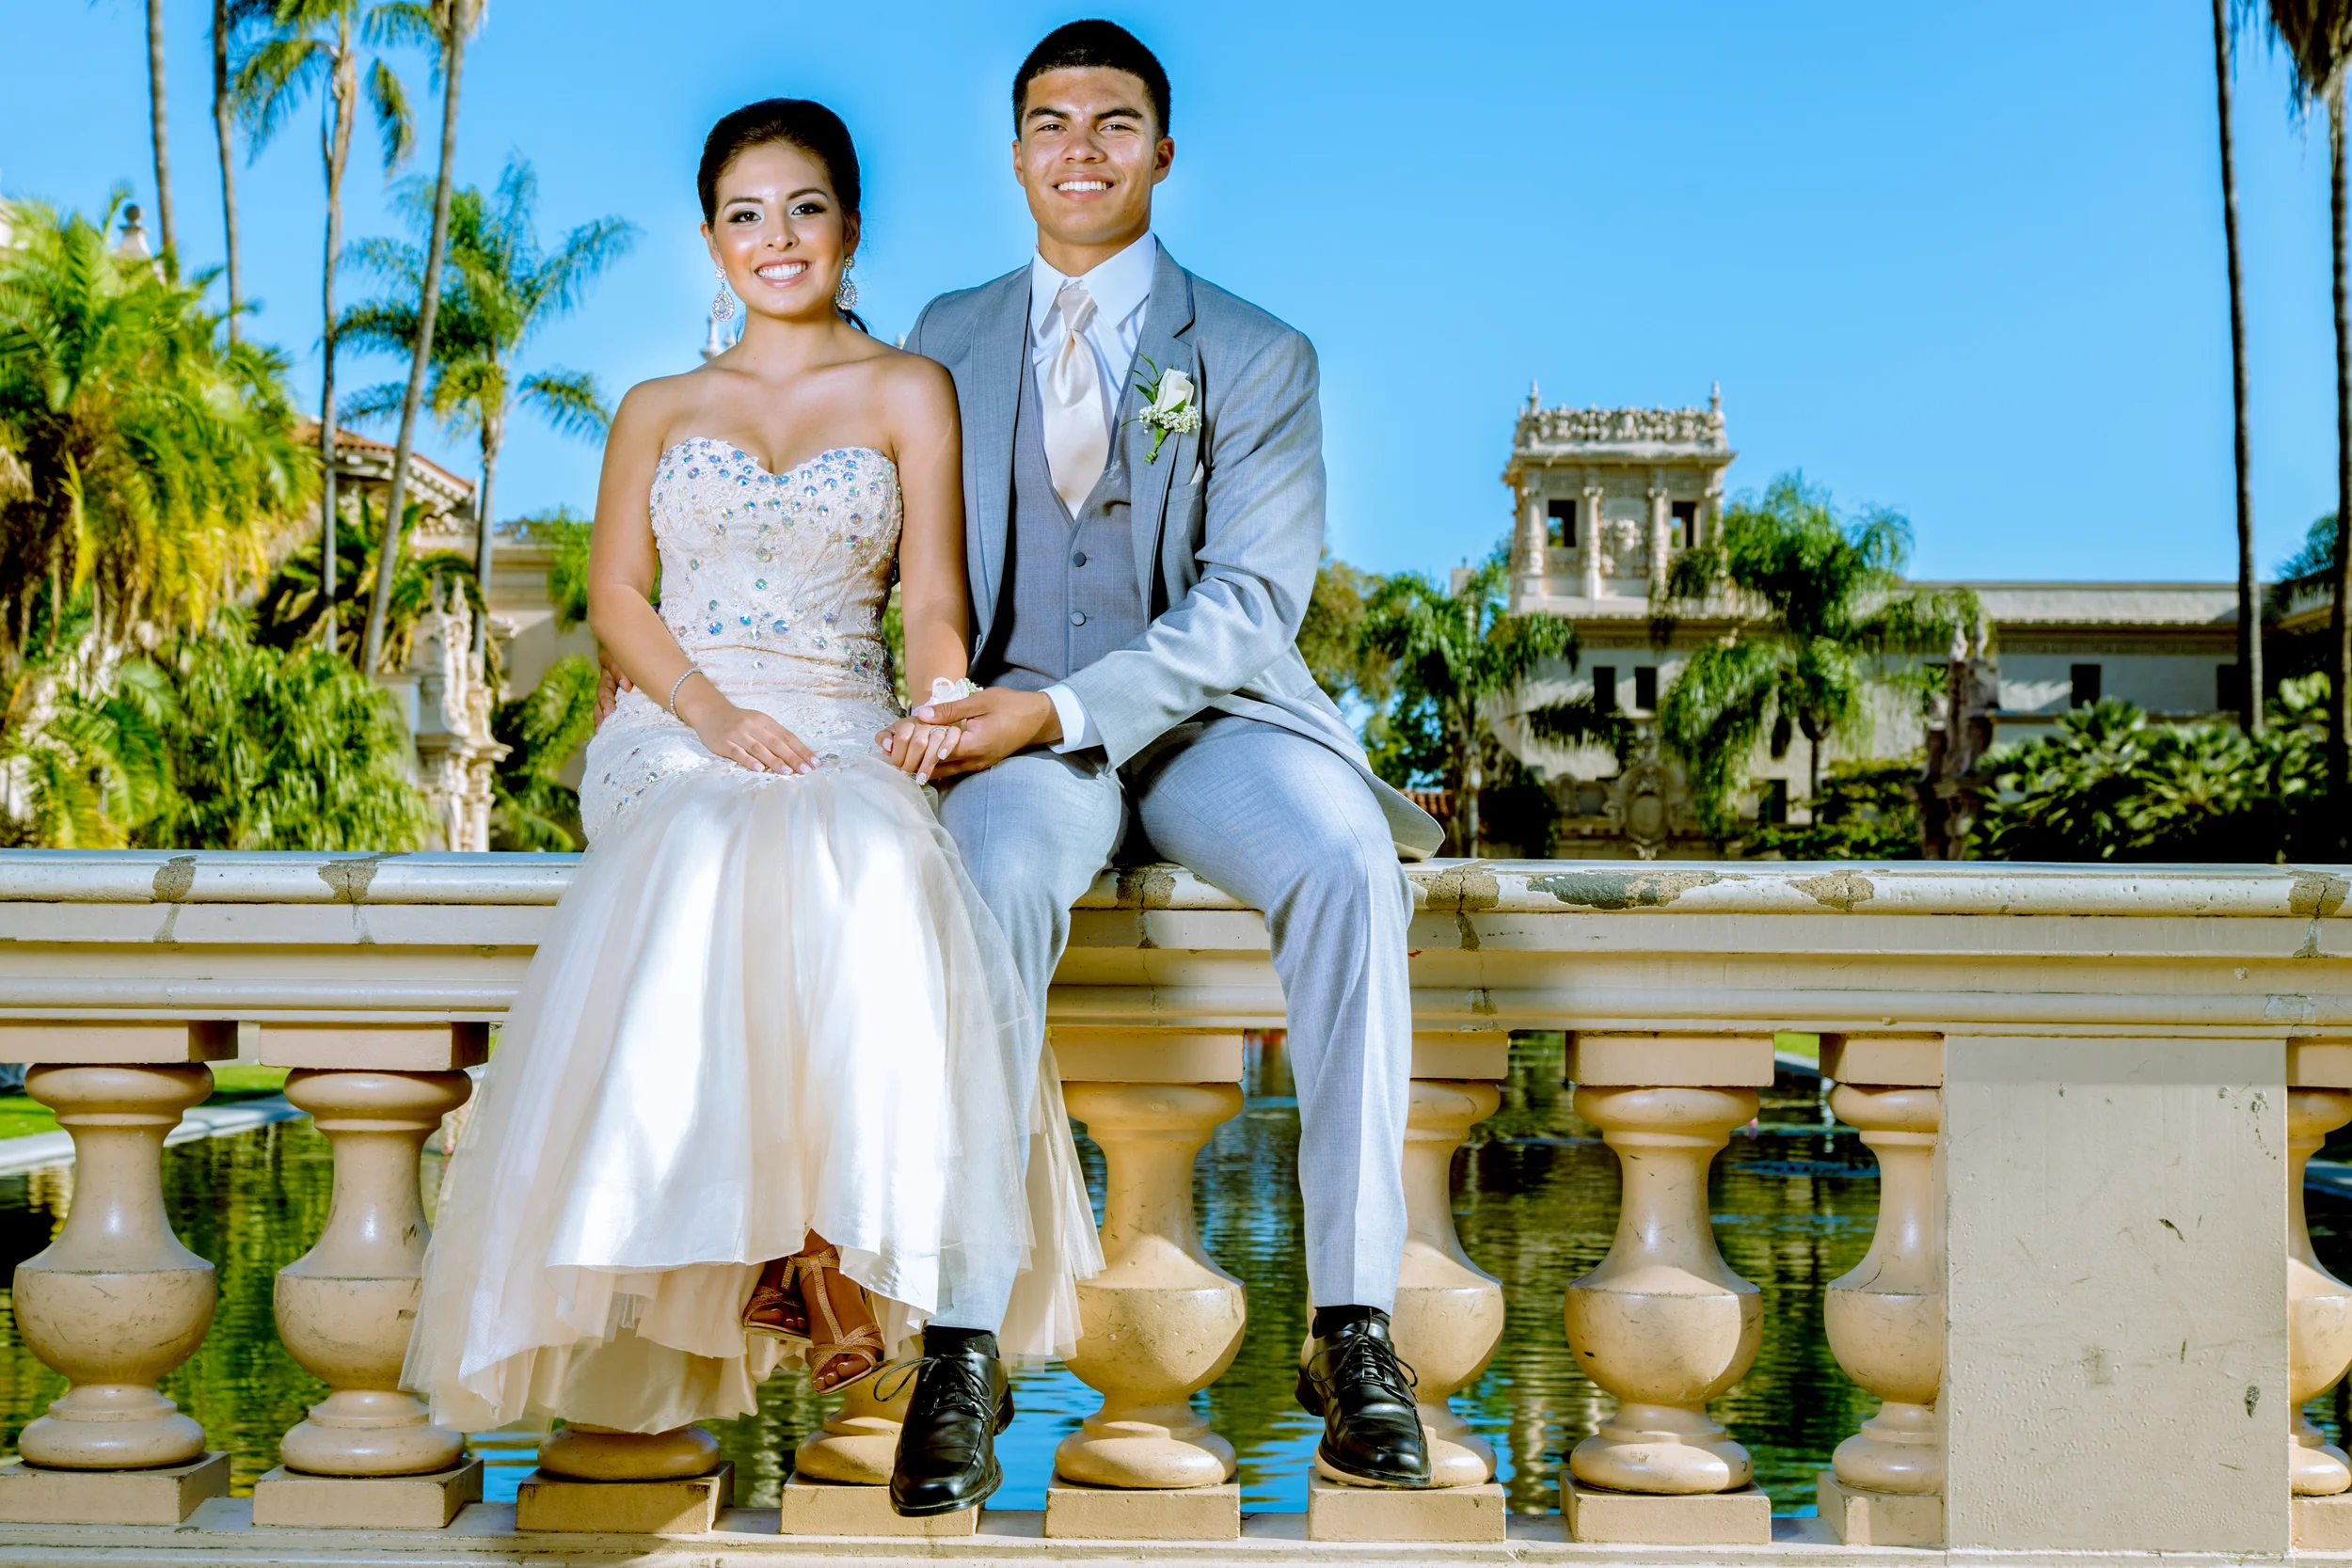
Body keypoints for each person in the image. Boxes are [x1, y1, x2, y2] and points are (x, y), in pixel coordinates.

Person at [402, 99, 1098, 1518]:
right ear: (710, 240)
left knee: (853, 835)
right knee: (721, 828)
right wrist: (710, 715)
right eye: (743, 215)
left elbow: (935, 603)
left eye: (801, 210)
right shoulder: (658, 407)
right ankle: (768, 1255)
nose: (773, 239)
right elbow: (614, 599)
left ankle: (823, 1247)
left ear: (849, 227)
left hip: (842, 709)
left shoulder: (911, 391)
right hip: (682, 721)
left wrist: (939, 701)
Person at [890, 19, 1447, 1506]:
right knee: (990, 873)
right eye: (1053, 122)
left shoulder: (1259, 353)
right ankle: (960, 1335)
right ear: (1015, 154)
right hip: (1013, 738)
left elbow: (1252, 601)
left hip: (1220, 725)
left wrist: (1062, 711)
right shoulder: (940, 337)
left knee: (1343, 860)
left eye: (1115, 121)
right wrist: (957, 708)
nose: (1082, 146)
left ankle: (1353, 1322)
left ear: (1164, 153)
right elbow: (921, 562)